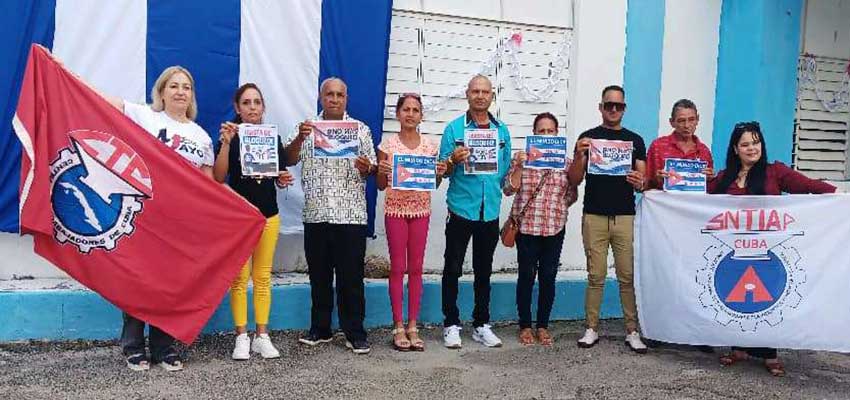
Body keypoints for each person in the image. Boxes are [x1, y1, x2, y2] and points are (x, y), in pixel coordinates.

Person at [93, 66, 214, 371]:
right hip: (146, 215)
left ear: (192, 95)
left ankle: (164, 347)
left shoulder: (200, 136)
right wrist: (66, 73)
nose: (180, 91)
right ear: (161, 92)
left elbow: (208, 185)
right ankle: (133, 346)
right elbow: (108, 102)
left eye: (186, 87)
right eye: (173, 86)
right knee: (139, 279)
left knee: (171, 283)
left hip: (180, 223)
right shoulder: (147, 116)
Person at [708, 121, 836, 377]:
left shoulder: (775, 172)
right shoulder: (724, 178)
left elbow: (808, 185)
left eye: (755, 142)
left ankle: (769, 353)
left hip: (769, 250)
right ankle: (739, 349)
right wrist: (663, 189)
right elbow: (693, 198)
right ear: (735, 149)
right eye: (745, 144)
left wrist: (838, 193)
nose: (751, 148)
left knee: (768, 299)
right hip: (734, 251)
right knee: (737, 299)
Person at [284, 77, 377, 354]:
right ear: (321, 97)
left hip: (351, 215)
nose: (335, 99)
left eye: (340, 95)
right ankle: (320, 328)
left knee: (351, 278)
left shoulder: (360, 130)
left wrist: (366, 167)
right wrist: (300, 138)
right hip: (316, 214)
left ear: (346, 99)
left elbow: (371, 167)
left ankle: (355, 332)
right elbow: (288, 159)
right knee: (319, 276)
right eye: (329, 94)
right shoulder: (308, 128)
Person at [213, 83, 294, 360]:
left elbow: (279, 175)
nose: (252, 107)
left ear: (263, 107)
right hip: (240, 218)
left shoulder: (272, 137)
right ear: (237, 107)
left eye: (256, 102)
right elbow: (219, 177)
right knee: (239, 278)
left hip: (269, 214)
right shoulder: (231, 135)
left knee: (262, 277)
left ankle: (262, 335)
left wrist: (283, 180)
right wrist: (224, 143)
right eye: (246, 103)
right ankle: (241, 336)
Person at [568, 85, 648, 353]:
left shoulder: (635, 141)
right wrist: (580, 155)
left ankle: (632, 330)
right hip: (594, 215)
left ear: (624, 108)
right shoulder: (587, 138)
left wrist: (640, 180)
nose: (614, 109)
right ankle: (591, 328)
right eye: (609, 105)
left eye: (619, 106)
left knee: (627, 275)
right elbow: (574, 180)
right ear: (600, 107)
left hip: (625, 216)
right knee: (596, 275)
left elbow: (643, 181)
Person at [439, 75, 512, 349]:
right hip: (460, 209)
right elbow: (441, 172)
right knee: (452, 268)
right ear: (467, 95)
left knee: (484, 270)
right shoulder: (454, 129)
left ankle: (481, 324)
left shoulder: (502, 131)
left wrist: (515, 174)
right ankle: (451, 324)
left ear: (492, 96)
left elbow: (504, 178)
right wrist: (451, 160)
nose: (480, 96)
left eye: (485, 91)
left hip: (489, 211)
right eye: (475, 91)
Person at [376, 93, 447, 351]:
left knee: (416, 267)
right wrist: (381, 172)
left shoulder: (430, 147)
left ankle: (413, 324)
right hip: (395, 210)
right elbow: (381, 186)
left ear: (421, 115)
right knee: (397, 267)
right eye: (405, 109)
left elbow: (433, 184)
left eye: (415, 110)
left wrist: (439, 173)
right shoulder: (387, 145)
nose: (410, 114)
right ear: (397, 113)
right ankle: (397, 325)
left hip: (420, 211)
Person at [503, 112, 577, 346]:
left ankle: (543, 326)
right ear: (534, 134)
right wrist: (519, 167)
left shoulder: (566, 164)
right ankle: (525, 326)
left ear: (557, 134)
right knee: (526, 277)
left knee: (548, 277)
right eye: (541, 131)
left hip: (554, 228)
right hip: (527, 228)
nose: (546, 135)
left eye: (550, 131)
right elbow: (507, 189)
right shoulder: (521, 159)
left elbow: (571, 195)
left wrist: (558, 208)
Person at [646, 99, 714, 190]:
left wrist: (710, 179)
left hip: (692, 203)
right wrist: (657, 179)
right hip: (663, 202)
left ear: (697, 120)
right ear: (672, 122)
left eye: (691, 120)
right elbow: (645, 184)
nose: (687, 125)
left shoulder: (704, 151)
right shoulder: (658, 146)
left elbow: (708, 190)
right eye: (681, 120)